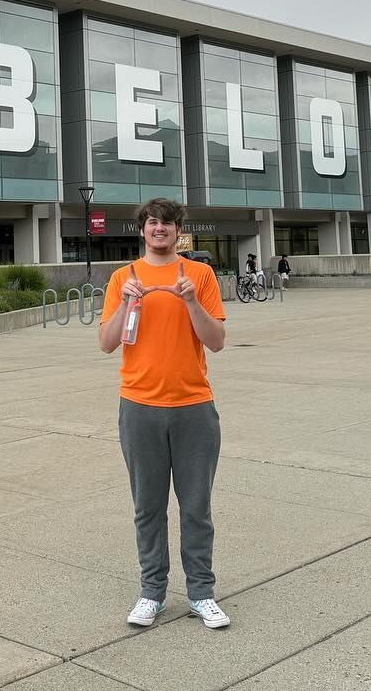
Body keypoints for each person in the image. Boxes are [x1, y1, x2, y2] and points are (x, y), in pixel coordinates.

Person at [99, 197, 230, 631]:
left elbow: (216, 341)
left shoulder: (200, 275)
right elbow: (107, 342)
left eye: (168, 224)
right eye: (153, 223)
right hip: (139, 406)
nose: (160, 229)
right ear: (142, 229)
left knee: (196, 507)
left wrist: (191, 301)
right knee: (148, 507)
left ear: (179, 231)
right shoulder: (123, 277)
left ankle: (201, 594)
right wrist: (125, 305)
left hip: (193, 406)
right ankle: (151, 593)